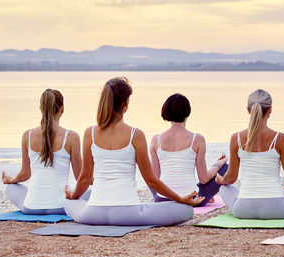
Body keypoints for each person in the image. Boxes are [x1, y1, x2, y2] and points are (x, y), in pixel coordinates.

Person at [64, 77, 203, 226]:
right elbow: (151, 180)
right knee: (187, 210)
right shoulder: (135, 135)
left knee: (67, 201)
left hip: (93, 214)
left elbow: (85, 178)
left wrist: (73, 196)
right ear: (125, 103)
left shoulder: (89, 133)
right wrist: (180, 199)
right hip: (128, 214)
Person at [215, 89, 284, 219]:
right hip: (276, 209)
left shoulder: (236, 138)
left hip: (243, 209)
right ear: (270, 110)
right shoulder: (281, 139)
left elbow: (231, 178)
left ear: (248, 110)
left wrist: (221, 180)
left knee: (224, 188)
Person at [2, 89, 82, 215]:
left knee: (11, 188)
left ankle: (35, 199)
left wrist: (11, 180)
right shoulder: (71, 137)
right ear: (62, 109)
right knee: (88, 193)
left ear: (40, 108)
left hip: (31, 208)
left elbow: (25, 175)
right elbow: (80, 177)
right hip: (62, 207)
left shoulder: (27, 136)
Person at [149, 93, 228, 207]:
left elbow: (154, 179)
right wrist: (218, 164)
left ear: (166, 111)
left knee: (149, 175)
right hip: (193, 199)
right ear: (187, 112)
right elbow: (204, 178)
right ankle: (204, 193)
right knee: (226, 168)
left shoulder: (156, 140)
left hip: (163, 200)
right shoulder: (198, 139)